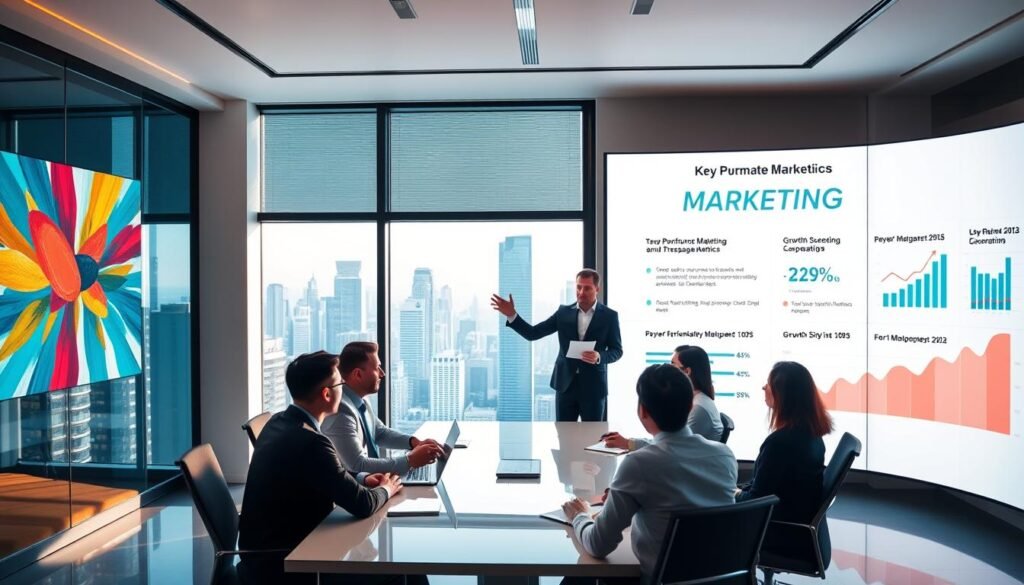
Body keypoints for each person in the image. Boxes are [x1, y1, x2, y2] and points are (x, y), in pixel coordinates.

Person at [237, 351, 403, 583]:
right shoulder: (312, 441)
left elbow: (323, 472)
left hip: (269, 552)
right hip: (291, 562)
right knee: (400, 574)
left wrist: (363, 478)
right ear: (326, 394)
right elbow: (363, 504)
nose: (343, 389)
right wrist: (387, 488)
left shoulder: (279, 421)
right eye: (340, 384)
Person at [560, 364, 737, 579]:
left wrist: (580, 515)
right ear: (690, 405)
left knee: (577, 576)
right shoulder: (724, 456)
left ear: (642, 411)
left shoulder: (639, 465)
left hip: (662, 579)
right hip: (720, 578)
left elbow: (598, 545)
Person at [491, 268, 623, 421]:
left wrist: (599, 356)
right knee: (564, 437)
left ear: (597, 289)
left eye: (587, 288)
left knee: (592, 441)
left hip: (593, 388)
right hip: (565, 386)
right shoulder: (563, 313)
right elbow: (533, 333)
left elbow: (617, 350)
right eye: (578, 287)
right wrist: (512, 315)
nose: (581, 292)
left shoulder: (609, 316)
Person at [736, 361, 834, 563]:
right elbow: (770, 487)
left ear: (782, 394)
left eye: (768, 384)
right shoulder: (811, 435)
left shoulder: (779, 444)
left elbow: (758, 500)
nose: (763, 388)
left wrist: (733, 494)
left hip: (779, 532)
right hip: (795, 526)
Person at [322, 341, 445, 474]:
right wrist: (409, 461)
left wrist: (413, 442)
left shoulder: (360, 400)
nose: (382, 374)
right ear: (358, 374)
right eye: (377, 368)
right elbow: (358, 465)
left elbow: (379, 433)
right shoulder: (341, 411)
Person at [602, 344, 724, 449]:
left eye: (673, 364)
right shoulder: (696, 400)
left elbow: (671, 446)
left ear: (687, 372)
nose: (668, 368)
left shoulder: (698, 408)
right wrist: (628, 442)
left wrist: (628, 443)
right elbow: (669, 441)